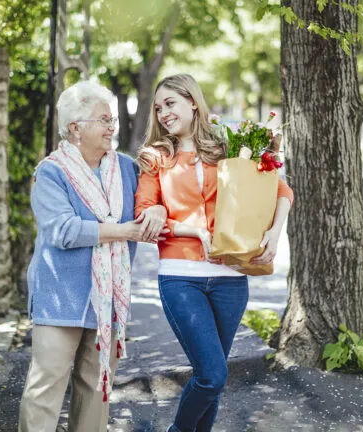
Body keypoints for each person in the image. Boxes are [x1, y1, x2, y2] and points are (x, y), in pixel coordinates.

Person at [134, 73, 294, 432]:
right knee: (212, 374)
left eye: (170, 103)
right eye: (158, 108)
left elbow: (280, 189)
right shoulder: (156, 157)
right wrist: (192, 230)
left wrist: (275, 231)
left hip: (231, 278)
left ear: (193, 101)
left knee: (215, 381)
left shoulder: (229, 146)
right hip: (181, 276)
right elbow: (144, 215)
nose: (163, 113)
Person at [18, 80, 167, 432]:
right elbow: (63, 231)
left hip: (108, 301)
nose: (112, 127)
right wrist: (125, 231)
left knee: (97, 389)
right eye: (104, 120)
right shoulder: (51, 172)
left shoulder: (128, 169)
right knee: (45, 390)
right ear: (75, 128)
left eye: (112, 120)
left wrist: (158, 209)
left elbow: (157, 197)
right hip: (61, 298)